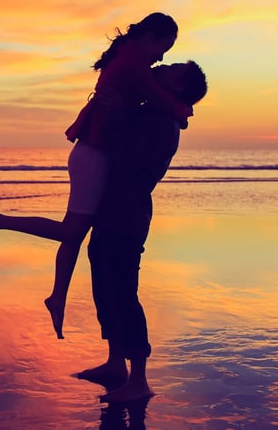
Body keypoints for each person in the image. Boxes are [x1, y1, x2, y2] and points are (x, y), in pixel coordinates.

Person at [0, 13, 191, 340]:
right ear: (151, 37)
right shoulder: (133, 65)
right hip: (94, 154)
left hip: (92, 150)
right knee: (71, 229)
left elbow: (152, 104)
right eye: (163, 48)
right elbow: (164, 102)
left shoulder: (127, 57)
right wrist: (185, 112)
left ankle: (58, 298)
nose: (161, 58)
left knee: (75, 233)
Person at [78, 61, 207, 403]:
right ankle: (115, 363)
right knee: (104, 287)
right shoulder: (153, 110)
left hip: (127, 212)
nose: (162, 66)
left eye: (172, 68)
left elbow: (127, 158)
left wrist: (117, 112)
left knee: (122, 292)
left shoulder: (163, 122)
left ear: (177, 87)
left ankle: (139, 381)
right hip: (111, 207)